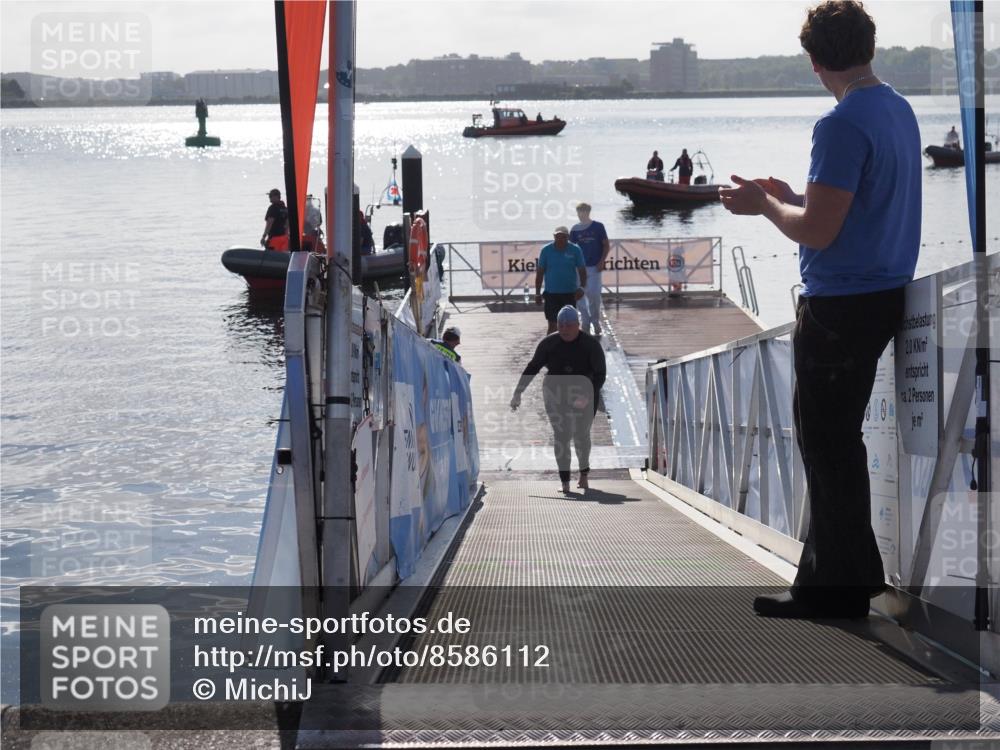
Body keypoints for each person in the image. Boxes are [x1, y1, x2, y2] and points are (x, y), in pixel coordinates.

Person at [719, 0, 921, 619]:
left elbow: (818, 233)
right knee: (838, 440)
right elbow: (853, 203)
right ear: (869, 45)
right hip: (885, 292)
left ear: (813, 61)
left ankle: (833, 591)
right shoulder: (897, 109)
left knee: (826, 442)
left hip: (840, 304)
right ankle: (850, 575)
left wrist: (764, 206)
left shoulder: (840, 124)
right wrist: (793, 194)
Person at [509, 306, 606, 494]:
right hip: (556, 392)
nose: (564, 330)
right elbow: (532, 367)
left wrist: (587, 396)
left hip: (585, 390)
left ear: (578, 325)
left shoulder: (591, 344)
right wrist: (517, 393)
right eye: (561, 325)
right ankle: (565, 481)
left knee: (581, 434)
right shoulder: (548, 344)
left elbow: (601, 375)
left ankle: (584, 474)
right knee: (561, 436)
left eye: (569, 325)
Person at [534, 226, 586, 335]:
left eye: (563, 236)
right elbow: (540, 272)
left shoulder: (575, 249)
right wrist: (537, 293)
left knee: (570, 324)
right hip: (551, 294)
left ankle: (571, 349)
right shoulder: (546, 250)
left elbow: (582, 270)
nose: (560, 239)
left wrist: (582, 287)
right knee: (552, 325)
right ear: (554, 236)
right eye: (558, 236)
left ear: (568, 237)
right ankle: (550, 350)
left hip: (570, 294)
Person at [569, 202, 610, 336]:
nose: (580, 215)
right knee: (580, 296)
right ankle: (585, 322)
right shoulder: (575, 229)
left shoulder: (598, 226)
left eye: (583, 212)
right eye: (578, 212)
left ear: (588, 212)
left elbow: (605, 245)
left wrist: (602, 261)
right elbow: (571, 249)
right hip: (579, 268)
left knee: (594, 294)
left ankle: (595, 322)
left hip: (594, 267)